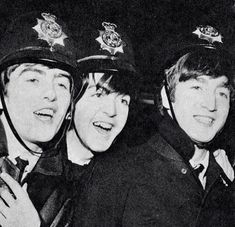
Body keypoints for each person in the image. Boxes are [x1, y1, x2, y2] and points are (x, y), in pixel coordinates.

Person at [73, 25, 235, 227]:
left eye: (222, 93)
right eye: (197, 87)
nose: (211, 105)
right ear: (166, 97)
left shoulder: (226, 180)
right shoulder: (115, 174)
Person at [0, 11, 82, 227]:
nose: (51, 94)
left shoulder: (76, 188)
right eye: (33, 79)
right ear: (2, 94)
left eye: (62, 83)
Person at [60, 21, 139, 226]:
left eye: (123, 100)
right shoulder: (28, 164)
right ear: (72, 96)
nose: (112, 112)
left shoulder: (128, 185)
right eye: (100, 94)